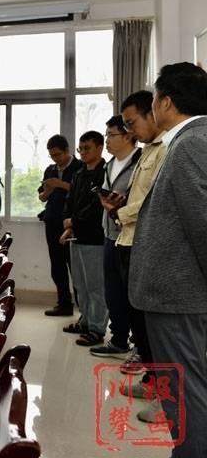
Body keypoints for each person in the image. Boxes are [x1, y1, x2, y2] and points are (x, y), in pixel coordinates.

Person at [129, 62, 207, 458]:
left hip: (179, 296)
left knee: (185, 388)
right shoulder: (191, 140)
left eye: (156, 98)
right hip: (179, 294)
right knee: (183, 386)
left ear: (166, 102)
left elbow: (203, 223)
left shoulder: (191, 143)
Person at [101, 91, 167, 425]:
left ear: (154, 112)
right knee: (137, 320)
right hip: (127, 239)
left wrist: (121, 211)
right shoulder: (149, 150)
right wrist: (119, 203)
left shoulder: (171, 148)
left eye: (132, 123)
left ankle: (166, 397)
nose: (130, 131)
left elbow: (154, 201)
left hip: (143, 240)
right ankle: (153, 380)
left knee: (154, 327)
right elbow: (139, 195)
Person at [89, 115, 140, 358]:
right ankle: (119, 340)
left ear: (128, 135)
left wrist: (123, 205)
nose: (107, 140)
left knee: (133, 297)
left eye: (111, 135)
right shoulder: (109, 165)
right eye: (106, 134)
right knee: (113, 293)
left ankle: (140, 347)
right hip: (110, 235)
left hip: (132, 237)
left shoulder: (141, 161)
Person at [59, 131, 106, 347]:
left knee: (96, 286)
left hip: (94, 237)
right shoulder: (78, 173)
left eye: (87, 148)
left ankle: (97, 328)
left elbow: (96, 207)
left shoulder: (105, 173)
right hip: (75, 236)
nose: (83, 153)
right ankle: (85, 321)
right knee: (80, 284)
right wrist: (68, 221)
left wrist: (73, 222)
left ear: (99, 148)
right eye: (81, 149)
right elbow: (70, 201)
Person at [39, 135, 83, 316]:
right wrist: (49, 189)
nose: (55, 159)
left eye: (57, 154)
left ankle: (84, 308)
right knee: (57, 265)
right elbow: (42, 197)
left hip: (73, 223)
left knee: (76, 266)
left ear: (67, 151)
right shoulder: (50, 170)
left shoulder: (80, 167)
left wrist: (61, 184)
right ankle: (64, 304)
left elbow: (83, 192)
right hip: (52, 221)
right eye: (51, 155)